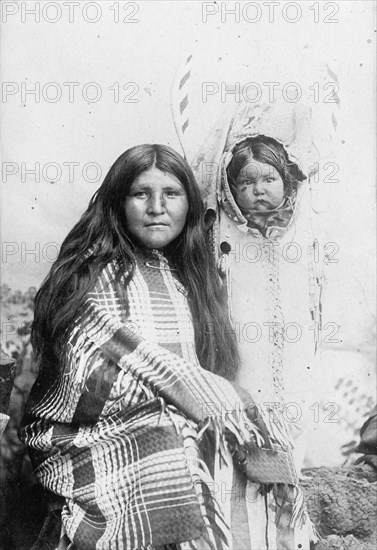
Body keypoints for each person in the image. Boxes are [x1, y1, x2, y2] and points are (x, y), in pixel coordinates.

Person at [20, 144, 312, 550]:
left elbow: (192, 369)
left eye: (171, 194)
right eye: (141, 194)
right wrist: (194, 404)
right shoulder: (90, 276)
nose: (157, 207)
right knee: (176, 451)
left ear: (189, 204)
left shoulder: (189, 277)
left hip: (172, 416)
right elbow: (93, 373)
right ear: (117, 202)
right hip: (87, 435)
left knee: (233, 460)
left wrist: (202, 407)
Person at [192, 99, 327, 474]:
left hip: (294, 356)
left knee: (293, 431)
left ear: (286, 181)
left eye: (268, 179)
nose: (258, 190)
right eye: (247, 182)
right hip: (244, 356)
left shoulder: (302, 234)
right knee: (243, 438)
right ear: (231, 189)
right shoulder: (222, 236)